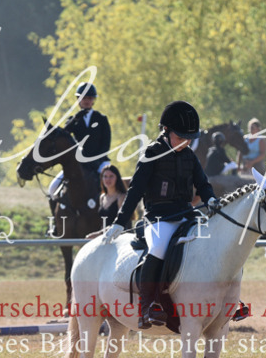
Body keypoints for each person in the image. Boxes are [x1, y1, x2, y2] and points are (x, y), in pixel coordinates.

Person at [102, 101, 220, 329]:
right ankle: (147, 307)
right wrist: (120, 222)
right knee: (158, 248)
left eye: (189, 138)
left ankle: (225, 300)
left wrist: (212, 199)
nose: (186, 142)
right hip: (158, 217)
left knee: (212, 242)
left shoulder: (189, 156)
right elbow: (135, 190)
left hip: (186, 214)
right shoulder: (151, 153)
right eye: (181, 137)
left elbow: (203, 184)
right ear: (166, 130)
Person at [46, 82, 112, 198]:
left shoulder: (101, 119)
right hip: (78, 161)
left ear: (93, 100)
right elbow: (64, 134)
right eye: (83, 98)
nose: (86, 101)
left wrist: (96, 159)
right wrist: (75, 119)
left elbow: (106, 143)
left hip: (100, 161)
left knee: (111, 183)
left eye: (89, 98)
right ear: (78, 99)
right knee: (53, 188)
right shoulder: (73, 119)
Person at [97, 162, 129, 229]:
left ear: (117, 178)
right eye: (105, 176)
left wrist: (98, 233)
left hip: (119, 236)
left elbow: (121, 223)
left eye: (111, 176)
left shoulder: (121, 197)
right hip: (104, 236)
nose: (108, 179)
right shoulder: (102, 197)